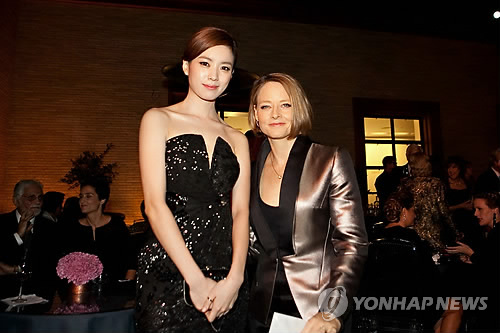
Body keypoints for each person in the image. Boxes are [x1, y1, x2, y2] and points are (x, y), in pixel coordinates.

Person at [136, 27, 250, 333]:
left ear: (231, 75)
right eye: (205, 63)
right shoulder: (158, 119)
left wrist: (236, 277)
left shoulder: (238, 138)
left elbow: (240, 212)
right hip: (167, 272)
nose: (214, 74)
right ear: (186, 66)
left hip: (227, 278)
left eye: (224, 67)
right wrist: (196, 280)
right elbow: (154, 206)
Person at [247, 73, 368, 333]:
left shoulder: (330, 160)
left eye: (285, 104)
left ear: (298, 108)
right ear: (256, 114)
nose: (275, 113)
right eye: (266, 106)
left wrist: (332, 310)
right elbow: (254, 245)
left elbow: (352, 244)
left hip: (316, 311)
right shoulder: (251, 169)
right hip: (263, 309)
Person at [381, 189, 463, 333]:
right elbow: (429, 275)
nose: (415, 216)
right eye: (413, 211)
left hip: (380, 303)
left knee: (439, 313)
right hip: (411, 304)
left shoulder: (375, 235)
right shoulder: (412, 238)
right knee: (455, 307)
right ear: (404, 212)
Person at [61, 178, 137, 283]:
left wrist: (126, 284)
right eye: (81, 196)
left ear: (102, 200)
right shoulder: (73, 227)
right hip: (82, 290)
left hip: (114, 289)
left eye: (88, 196)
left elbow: (131, 259)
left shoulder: (116, 225)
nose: (82, 201)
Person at [445, 192, 500, 332]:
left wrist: (470, 253)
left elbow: (491, 267)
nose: (475, 214)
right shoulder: (490, 232)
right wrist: (472, 258)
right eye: (475, 209)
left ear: (495, 210)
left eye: (480, 209)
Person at [0, 180, 59, 300]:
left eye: (40, 198)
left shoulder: (51, 227)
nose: (37, 202)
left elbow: (50, 265)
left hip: (39, 299)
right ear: (16, 201)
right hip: (4, 296)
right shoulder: (1, 223)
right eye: (31, 198)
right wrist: (18, 236)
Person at [399, 152, 457, 251]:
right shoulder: (435, 184)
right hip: (432, 231)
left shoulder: (405, 184)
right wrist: (453, 230)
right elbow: (443, 211)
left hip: (411, 232)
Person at [444, 156, 483, 251]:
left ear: (460, 169)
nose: (451, 170)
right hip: (453, 223)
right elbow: (442, 209)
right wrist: (460, 206)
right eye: (449, 167)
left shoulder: (466, 182)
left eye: (454, 167)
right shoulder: (444, 185)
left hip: (469, 222)